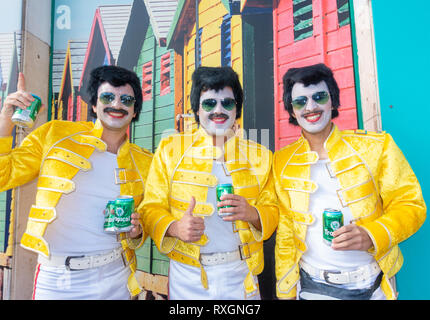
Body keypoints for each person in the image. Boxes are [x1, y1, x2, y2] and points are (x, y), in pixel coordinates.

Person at [273, 63, 426, 300]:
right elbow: (285, 230)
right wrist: (285, 293)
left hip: (373, 286)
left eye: (319, 97)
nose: (310, 107)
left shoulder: (376, 146)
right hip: (313, 288)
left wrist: (372, 234)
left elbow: (411, 204)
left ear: (332, 101)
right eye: (300, 102)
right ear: (292, 111)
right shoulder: (282, 161)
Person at [0, 65, 153, 299]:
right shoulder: (55, 135)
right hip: (57, 279)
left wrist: (137, 230)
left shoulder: (146, 162)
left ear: (135, 111)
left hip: (116, 277)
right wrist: (5, 122)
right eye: (108, 97)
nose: (117, 104)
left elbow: (148, 219)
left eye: (127, 99)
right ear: (94, 105)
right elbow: (4, 175)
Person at [140, 66, 278, 299]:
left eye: (227, 103)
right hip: (188, 277)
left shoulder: (261, 156)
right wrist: (175, 228)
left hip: (242, 274)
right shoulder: (170, 150)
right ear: (196, 108)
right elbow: (150, 208)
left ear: (237, 108)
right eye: (209, 103)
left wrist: (252, 213)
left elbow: (273, 209)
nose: (219, 110)